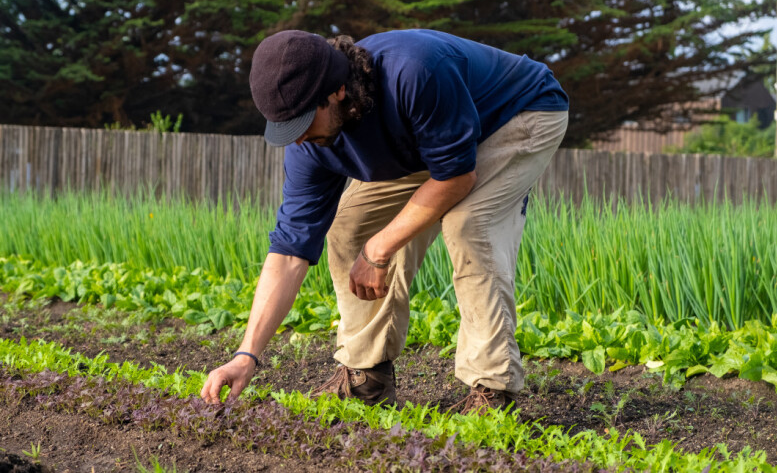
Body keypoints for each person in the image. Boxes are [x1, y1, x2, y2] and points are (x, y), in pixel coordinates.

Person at [200, 29, 568, 413]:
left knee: (468, 225)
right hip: (433, 141)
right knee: (350, 226)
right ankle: (367, 376)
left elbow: (457, 177)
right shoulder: (309, 146)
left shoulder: (413, 73)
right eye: (287, 127)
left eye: (304, 121)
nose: (298, 138)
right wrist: (247, 354)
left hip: (516, 114)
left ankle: (493, 389)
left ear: (338, 91)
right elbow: (290, 250)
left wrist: (379, 249)